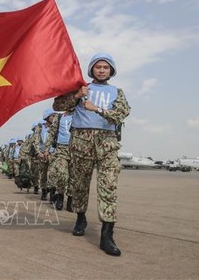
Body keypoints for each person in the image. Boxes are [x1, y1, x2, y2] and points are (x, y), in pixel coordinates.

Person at [53, 52, 130, 256]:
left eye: (106, 67)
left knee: (109, 185)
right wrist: (77, 96)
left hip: (107, 143)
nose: (102, 70)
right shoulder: (80, 88)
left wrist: (97, 109)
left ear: (111, 70)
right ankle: (80, 218)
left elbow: (121, 114)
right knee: (79, 184)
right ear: (91, 70)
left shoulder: (117, 92)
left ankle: (107, 234)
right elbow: (57, 105)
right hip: (81, 142)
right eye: (98, 67)